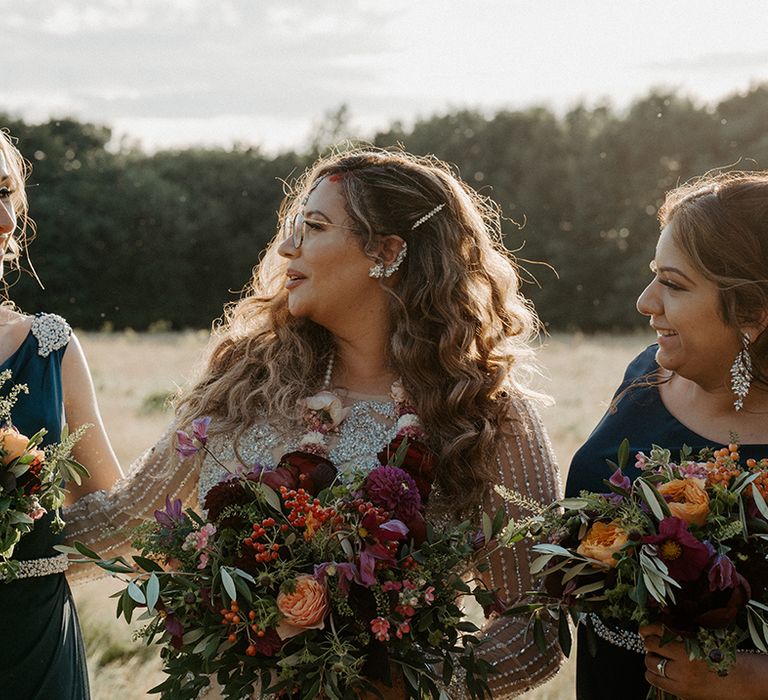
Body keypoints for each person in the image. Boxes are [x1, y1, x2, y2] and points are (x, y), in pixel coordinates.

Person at [66, 148, 564, 698]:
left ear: (387, 251)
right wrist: (14, 531)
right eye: (293, 227)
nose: (286, 247)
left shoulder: (486, 414)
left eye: (315, 227)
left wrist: (416, 686)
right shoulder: (245, 384)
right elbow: (127, 520)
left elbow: (534, 624)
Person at [565, 171, 768, 700]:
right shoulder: (644, 376)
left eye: (674, 284)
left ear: (752, 313)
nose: (645, 301)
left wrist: (748, 679)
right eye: (654, 274)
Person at [0, 129, 122, 699]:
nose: (4, 220)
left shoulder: (51, 347)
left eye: (7, 195)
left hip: (34, 640)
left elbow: (108, 501)